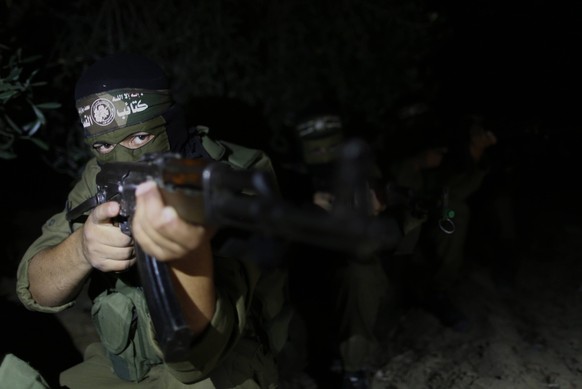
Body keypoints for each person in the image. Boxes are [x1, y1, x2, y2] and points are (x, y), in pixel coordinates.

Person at [15, 52, 283, 388]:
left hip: (223, 369)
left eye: (140, 138)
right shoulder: (97, 174)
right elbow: (35, 289)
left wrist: (184, 252)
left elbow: (194, 360)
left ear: (170, 123)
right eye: (103, 145)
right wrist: (82, 249)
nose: (124, 157)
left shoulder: (236, 176)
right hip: (123, 365)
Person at [278, 106, 392, 389]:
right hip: (299, 271)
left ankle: (353, 370)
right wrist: (307, 201)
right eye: (316, 148)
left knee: (361, 275)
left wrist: (372, 204)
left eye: (330, 144)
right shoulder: (289, 174)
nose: (323, 153)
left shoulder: (361, 171)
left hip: (346, 264)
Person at [385, 111, 497, 331]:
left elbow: (452, 194)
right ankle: (403, 293)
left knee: (454, 213)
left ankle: (438, 291)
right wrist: (417, 163)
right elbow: (399, 190)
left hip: (427, 222)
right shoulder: (395, 150)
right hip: (393, 231)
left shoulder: (442, 154)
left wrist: (477, 156)